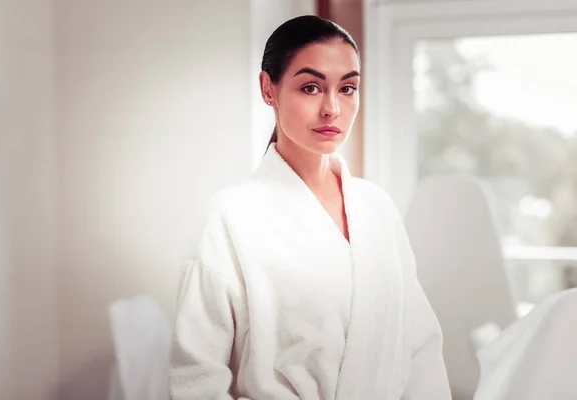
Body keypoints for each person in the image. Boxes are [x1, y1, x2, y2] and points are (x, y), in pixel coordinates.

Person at [170, 15, 451, 400]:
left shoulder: (377, 209)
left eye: (347, 88)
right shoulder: (231, 217)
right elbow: (196, 377)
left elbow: (420, 348)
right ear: (269, 89)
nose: (332, 108)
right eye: (311, 87)